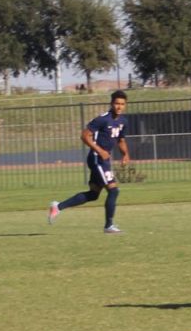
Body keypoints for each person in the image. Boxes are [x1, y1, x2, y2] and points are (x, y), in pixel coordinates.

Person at [47, 90, 130, 233]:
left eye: (122, 104)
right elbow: (84, 136)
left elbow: (121, 140)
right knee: (114, 190)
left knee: (93, 194)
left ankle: (57, 206)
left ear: (125, 105)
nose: (119, 106)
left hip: (104, 160)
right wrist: (100, 150)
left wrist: (126, 154)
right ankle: (109, 226)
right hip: (97, 158)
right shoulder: (103, 119)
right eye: (117, 103)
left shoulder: (123, 121)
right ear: (111, 103)